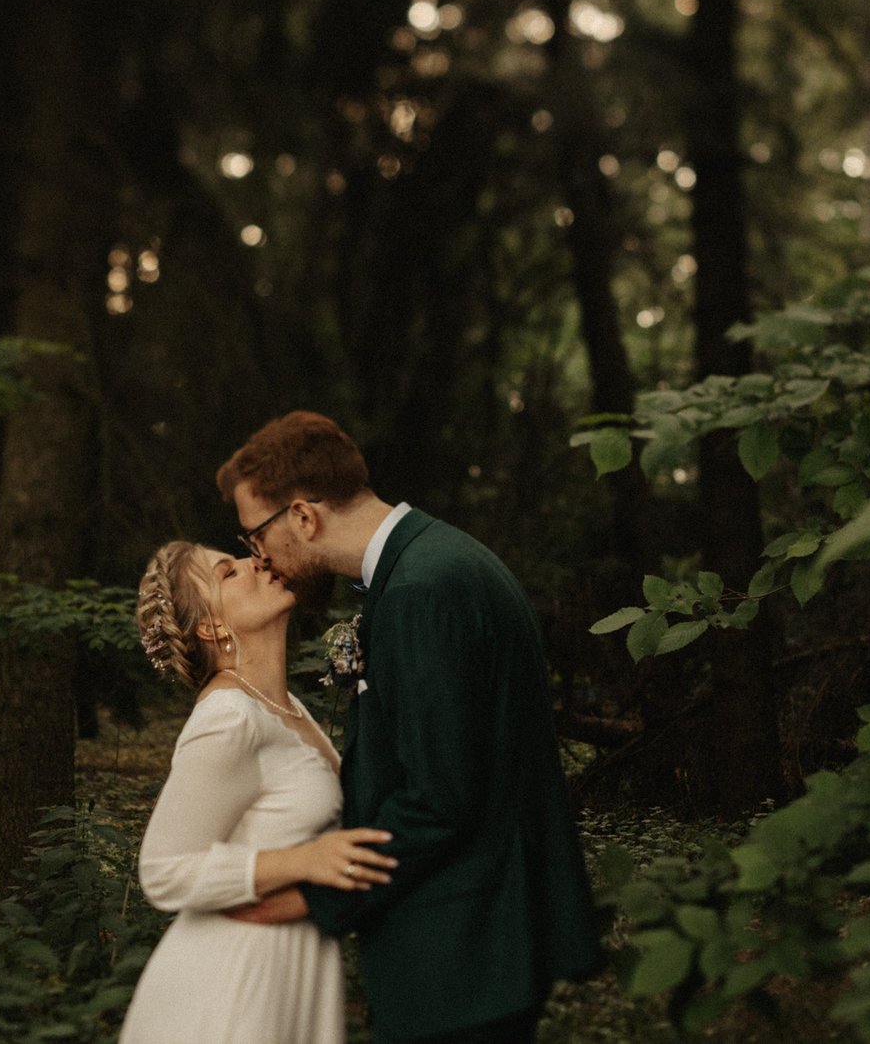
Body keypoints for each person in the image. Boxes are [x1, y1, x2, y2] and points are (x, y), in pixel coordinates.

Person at [217, 411, 603, 1044]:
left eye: (255, 536)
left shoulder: (421, 592)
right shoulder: (434, 562)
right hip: (478, 947)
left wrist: (316, 899)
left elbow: (439, 797)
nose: (258, 558)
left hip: (462, 955)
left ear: (304, 517)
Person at [118, 540, 398, 1044]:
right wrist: (305, 862)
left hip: (293, 968)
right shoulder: (228, 718)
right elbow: (164, 870)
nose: (256, 561)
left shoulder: (285, 705)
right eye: (228, 572)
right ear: (211, 626)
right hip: (233, 984)